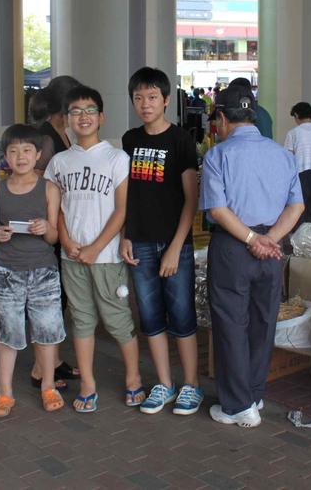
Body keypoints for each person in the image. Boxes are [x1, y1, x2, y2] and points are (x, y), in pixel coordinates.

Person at [202, 85, 304, 427]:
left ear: (222, 118)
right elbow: (297, 205)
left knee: (232, 324)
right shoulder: (282, 154)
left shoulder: (218, 155)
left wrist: (251, 239)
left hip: (234, 247)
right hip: (272, 250)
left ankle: (237, 406)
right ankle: (255, 394)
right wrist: (269, 239)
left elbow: (217, 209)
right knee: (263, 321)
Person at [45, 86, 141, 414]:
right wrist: (68, 242)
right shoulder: (59, 162)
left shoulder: (116, 157)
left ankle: (133, 378)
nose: (83, 117)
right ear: (66, 119)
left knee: (117, 321)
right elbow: (56, 208)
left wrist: (95, 247)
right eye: (75, 111)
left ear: (101, 117)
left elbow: (123, 210)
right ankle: (87, 383)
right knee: (81, 321)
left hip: (107, 257)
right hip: (71, 256)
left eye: (89, 110)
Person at [119, 67, 203, 415]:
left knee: (182, 314)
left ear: (167, 100)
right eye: (138, 98)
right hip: (138, 241)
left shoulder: (182, 140)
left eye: (152, 97)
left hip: (174, 245)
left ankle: (191, 386)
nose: (145, 104)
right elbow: (125, 195)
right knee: (151, 316)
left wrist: (175, 246)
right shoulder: (129, 140)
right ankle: (165, 384)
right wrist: (125, 235)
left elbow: (191, 199)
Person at [0, 124, 65, 418]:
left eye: (27, 150)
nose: (21, 156)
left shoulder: (49, 189)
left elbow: (54, 237)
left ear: (38, 154)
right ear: (5, 156)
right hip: (8, 272)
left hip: (43, 270)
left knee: (46, 331)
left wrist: (45, 228)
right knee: (9, 333)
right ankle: (5, 392)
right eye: (14, 151)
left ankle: (48, 385)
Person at [28, 76, 81, 388]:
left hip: (55, 228)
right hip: (46, 231)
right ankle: (39, 368)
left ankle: (55, 361)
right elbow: (39, 183)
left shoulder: (59, 133)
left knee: (56, 300)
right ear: (65, 107)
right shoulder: (47, 137)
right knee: (48, 301)